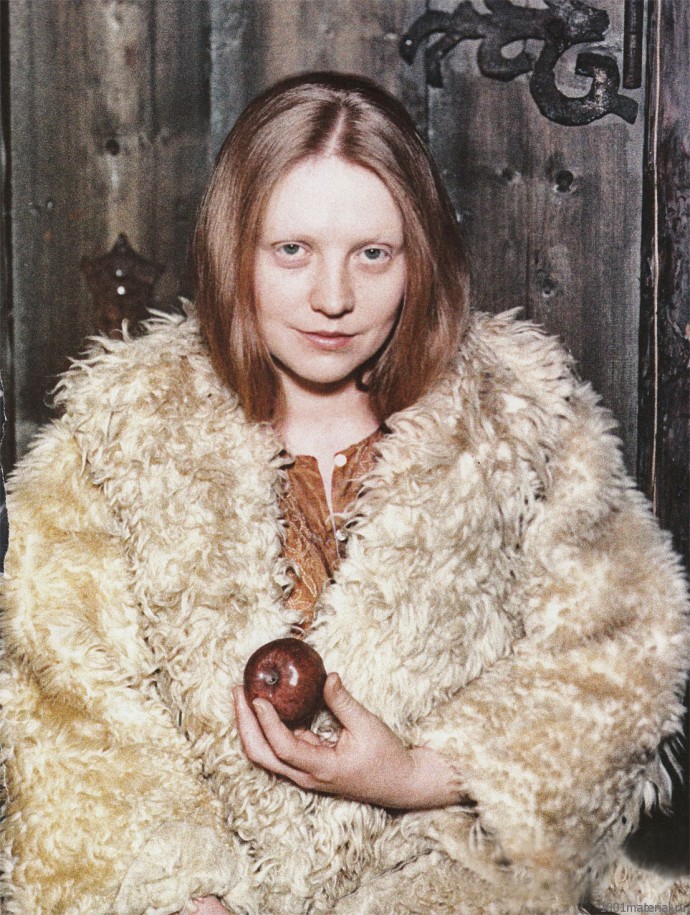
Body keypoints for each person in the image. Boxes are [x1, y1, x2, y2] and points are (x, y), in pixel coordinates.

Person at [0, 71, 688, 915]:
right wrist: (185, 896)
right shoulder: (119, 433)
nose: (333, 298)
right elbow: (71, 716)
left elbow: (626, 656)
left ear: (417, 258)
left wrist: (419, 774)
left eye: (373, 253)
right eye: (292, 250)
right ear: (234, 248)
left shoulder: (523, 420)